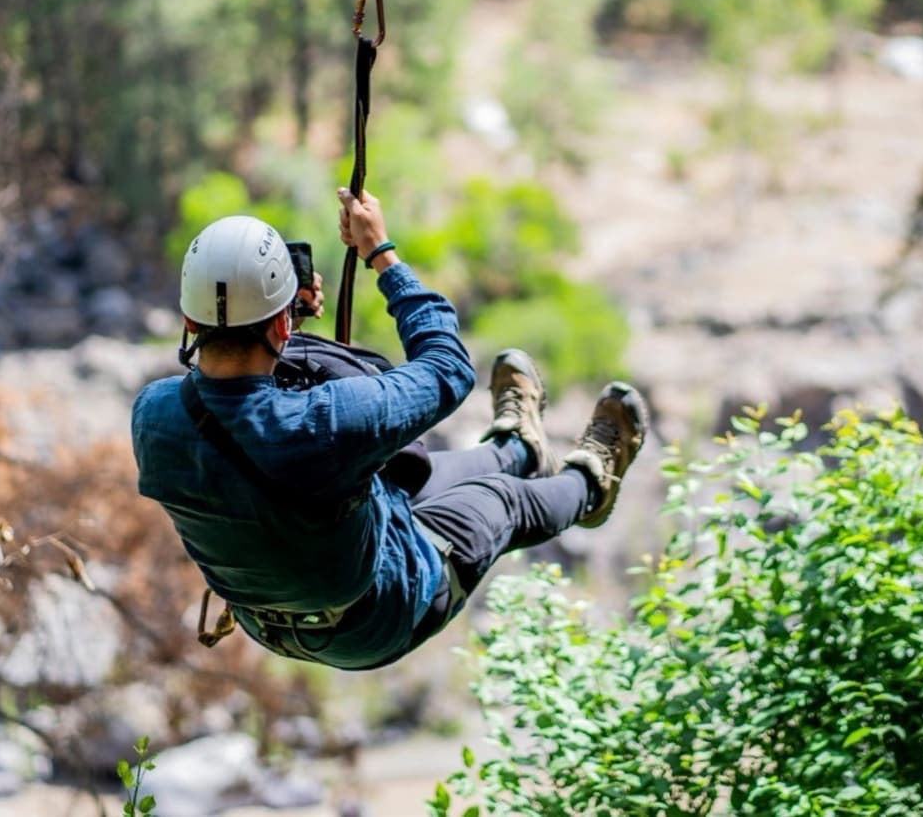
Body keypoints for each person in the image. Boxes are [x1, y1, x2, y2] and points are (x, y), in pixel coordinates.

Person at [130, 187, 648, 670]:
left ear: (190, 321)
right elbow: (448, 367)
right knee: (502, 500)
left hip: (269, 619)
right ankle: (592, 482)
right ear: (283, 325)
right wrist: (382, 254)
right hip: (378, 616)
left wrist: (282, 323)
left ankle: (519, 446)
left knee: (419, 475)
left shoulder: (152, 416)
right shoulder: (328, 424)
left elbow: (237, 400)